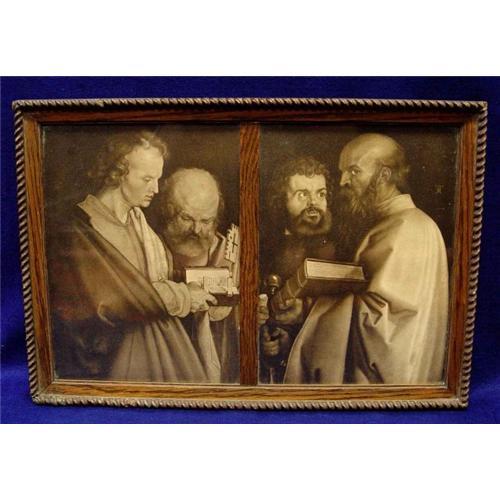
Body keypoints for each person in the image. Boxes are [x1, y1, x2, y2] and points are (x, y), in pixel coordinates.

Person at [49, 131, 218, 383]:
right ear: (118, 173)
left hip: (160, 349)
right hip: (114, 361)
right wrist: (183, 295)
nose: (156, 189)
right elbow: (114, 301)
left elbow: (149, 285)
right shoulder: (81, 230)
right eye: (147, 179)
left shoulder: (139, 224)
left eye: (157, 179)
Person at [284, 133, 449, 385]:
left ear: (383, 176)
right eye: (343, 172)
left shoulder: (402, 229)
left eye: (354, 171)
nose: (343, 181)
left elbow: (379, 330)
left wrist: (306, 311)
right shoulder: (409, 223)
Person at [158, 167, 241, 383]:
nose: (196, 230)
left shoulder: (229, 252)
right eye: (187, 218)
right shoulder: (151, 246)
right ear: (168, 210)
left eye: (206, 221)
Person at [260, 156, 336, 382]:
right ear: (281, 200)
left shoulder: (341, 248)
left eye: (321, 194)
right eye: (302, 194)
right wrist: (265, 338)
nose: (314, 204)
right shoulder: (265, 248)